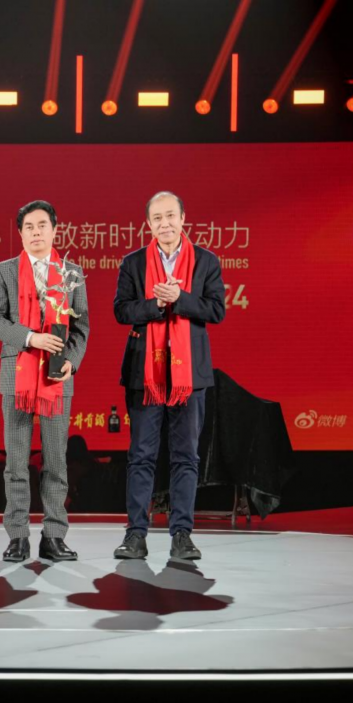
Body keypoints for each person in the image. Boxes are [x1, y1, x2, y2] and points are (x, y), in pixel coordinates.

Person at [113, 192, 226, 562]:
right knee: (141, 455)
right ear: (148, 224)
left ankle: (182, 535)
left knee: (186, 456)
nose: (165, 224)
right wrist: (156, 304)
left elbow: (216, 310)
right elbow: (121, 310)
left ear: (183, 219)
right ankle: (135, 534)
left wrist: (180, 298)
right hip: (144, 375)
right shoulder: (133, 262)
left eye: (170, 216)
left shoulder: (206, 261)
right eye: (157, 218)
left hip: (189, 376)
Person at [0, 200, 90, 563]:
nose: (36, 232)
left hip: (57, 377)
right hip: (17, 375)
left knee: (56, 462)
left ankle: (54, 536)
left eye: (42, 225)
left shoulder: (71, 272)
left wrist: (72, 362)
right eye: (28, 227)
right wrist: (32, 338)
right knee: (16, 463)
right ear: (20, 232)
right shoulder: (4, 271)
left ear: (55, 229)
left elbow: (82, 327)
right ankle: (17, 537)